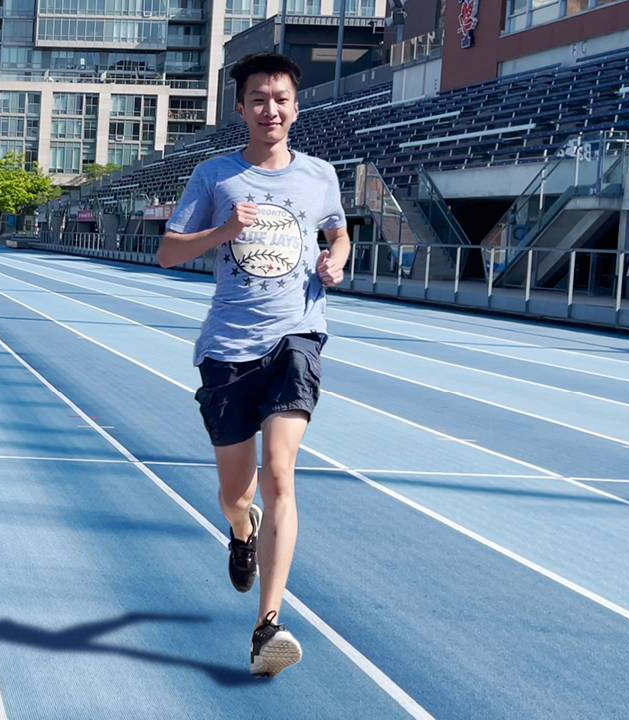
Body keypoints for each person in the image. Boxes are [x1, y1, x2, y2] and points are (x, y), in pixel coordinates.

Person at [156, 52, 350, 678]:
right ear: (240, 108)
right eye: (259, 99)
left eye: (282, 98)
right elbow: (165, 252)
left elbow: (339, 232)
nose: (272, 109)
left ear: (297, 106)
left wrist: (336, 260)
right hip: (228, 349)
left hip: (297, 334)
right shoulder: (214, 176)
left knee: (282, 474)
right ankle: (242, 533)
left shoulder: (321, 175)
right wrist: (219, 232)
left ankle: (267, 625)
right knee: (237, 494)